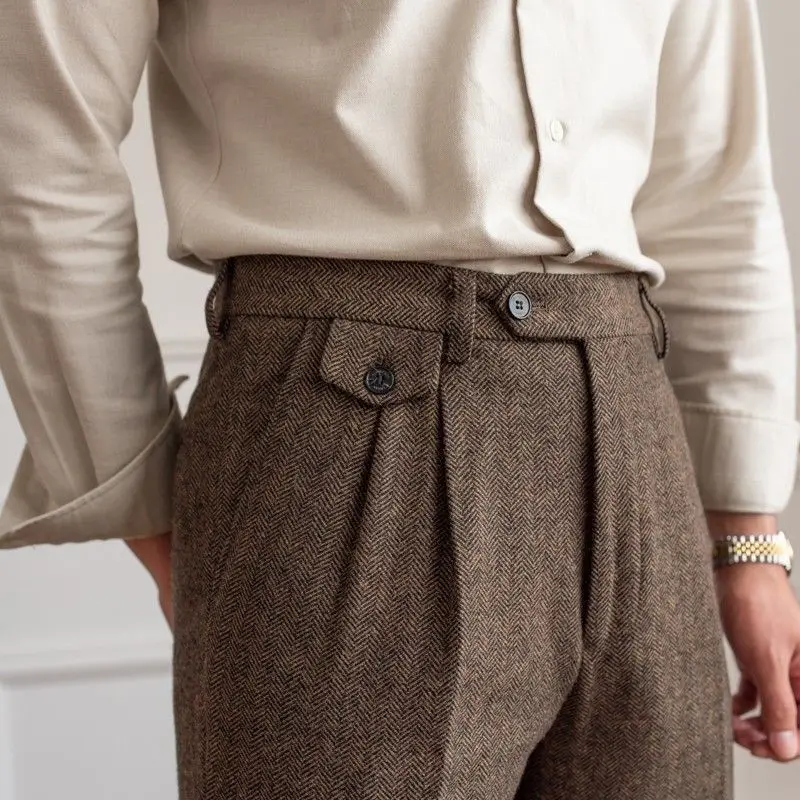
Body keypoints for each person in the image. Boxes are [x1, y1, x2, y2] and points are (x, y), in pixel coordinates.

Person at [1, 0, 798, 798]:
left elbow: (712, 186)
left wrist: (748, 542)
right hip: (345, 423)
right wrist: (142, 505)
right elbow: (38, 140)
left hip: (636, 431)